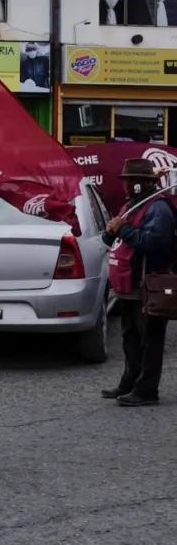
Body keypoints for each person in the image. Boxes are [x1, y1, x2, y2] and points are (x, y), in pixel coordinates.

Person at [102, 158, 175, 407]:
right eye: (126, 180)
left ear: (145, 183)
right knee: (130, 338)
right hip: (127, 288)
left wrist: (122, 230)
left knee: (149, 341)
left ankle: (146, 391)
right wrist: (110, 231)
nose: (127, 185)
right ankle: (129, 383)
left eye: (132, 181)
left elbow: (155, 243)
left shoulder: (158, 208)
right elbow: (111, 238)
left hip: (147, 286)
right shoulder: (130, 206)